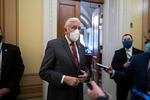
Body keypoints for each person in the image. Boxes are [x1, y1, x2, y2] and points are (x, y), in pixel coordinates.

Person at [39, 17, 88, 100]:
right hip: (60, 95)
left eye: (79, 28)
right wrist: (64, 78)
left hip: (78, 95)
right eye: (74, 27)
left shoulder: (82, 47)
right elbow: (43, 72)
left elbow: (83, 67)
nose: (77, 31)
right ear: (66, 30)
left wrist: (86, 74)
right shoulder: (54, 45)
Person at [106, 31, 150, 100]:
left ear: (132, 40)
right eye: (125, 39)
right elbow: (114, 66)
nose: (126, 41)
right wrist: (123, 66)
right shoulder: (117, 52)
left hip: (135, 81)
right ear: (122, 41)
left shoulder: (140, 52)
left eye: (128, 39)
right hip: (122, 81)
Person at [0, 27, 24, 100]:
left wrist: (9, 88)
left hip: (9, 93)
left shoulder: (13, 49)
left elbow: (19, 69)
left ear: (1, 33)